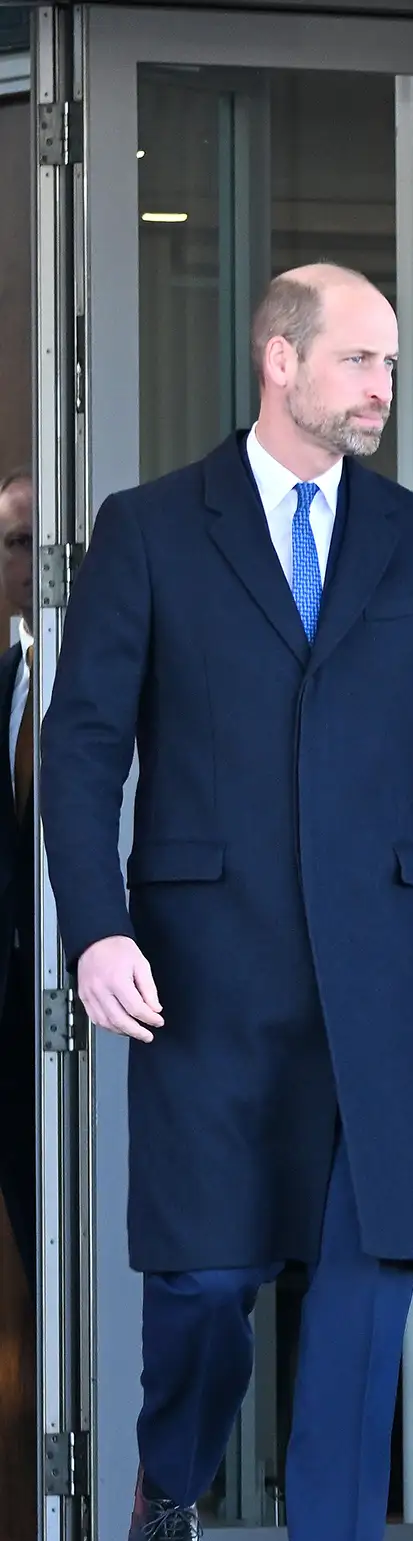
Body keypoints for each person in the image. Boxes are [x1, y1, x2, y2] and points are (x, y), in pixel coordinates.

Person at [40, 264, 413, 1541]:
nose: (381, 386)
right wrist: (96, 923)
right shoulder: (149, 531)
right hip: (199, 968)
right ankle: (168, 1483)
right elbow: (81, 747)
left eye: (390, 362)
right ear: (278, 358)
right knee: (203, 1279)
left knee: (369, 1282)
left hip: (376, 971)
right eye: (359, 360)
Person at [0, 469, 37, 1301]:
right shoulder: (4, 684)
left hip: (105, 1010)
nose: (32, 558)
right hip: (12, 1020)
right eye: (12, 544)